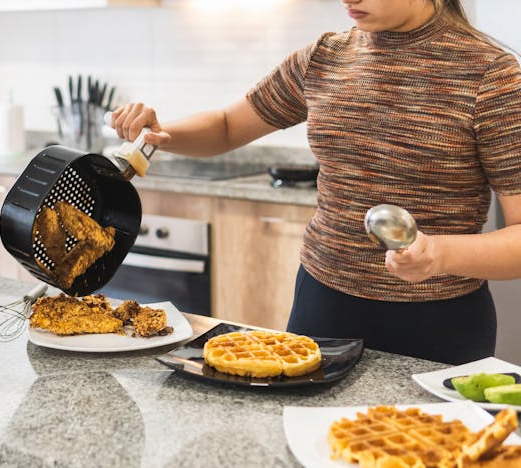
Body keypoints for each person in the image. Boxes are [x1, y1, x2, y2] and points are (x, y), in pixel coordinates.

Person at [109, 0, 521, 365]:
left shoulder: (492, 75)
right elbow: (229, 125)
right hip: (323, 304)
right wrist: (163, 132)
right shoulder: (324, 57)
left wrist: (438, 254)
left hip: (438, 322)